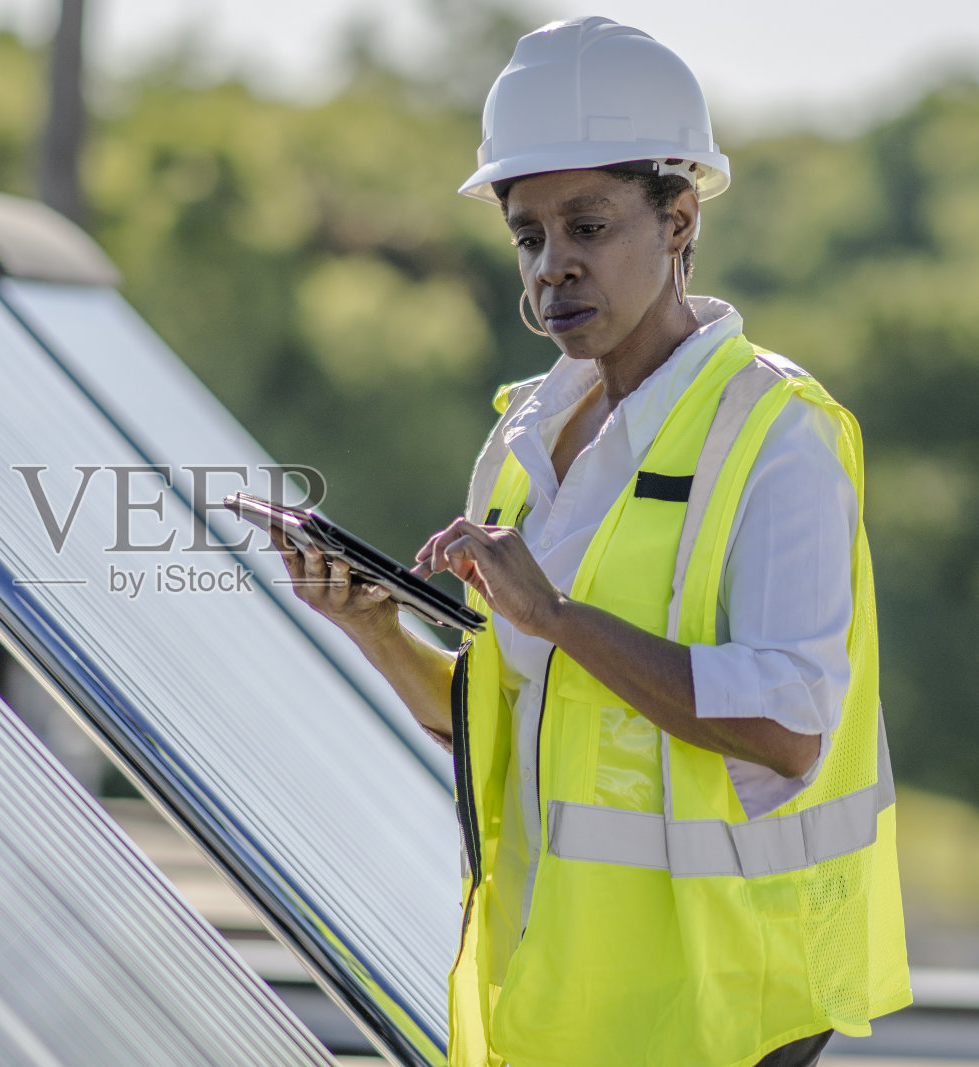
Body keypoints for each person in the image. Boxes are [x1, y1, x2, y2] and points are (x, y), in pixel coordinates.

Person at [276, 16, 911, 1067]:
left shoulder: (777, 436)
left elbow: (788, 727)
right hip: (565, 1009)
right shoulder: (522, 441)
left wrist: (559, 618)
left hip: (722, 1011)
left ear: (677, 219)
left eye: (589, 226)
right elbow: (503, 713)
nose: (552, 267)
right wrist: (374, 627)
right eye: (529, 234)